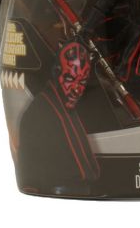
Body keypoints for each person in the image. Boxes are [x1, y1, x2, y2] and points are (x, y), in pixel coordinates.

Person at [16, 41, 99, 195]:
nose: (76, 89)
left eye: (82, 81)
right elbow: (29, 166)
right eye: (70, 79)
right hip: (58, 193)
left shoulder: (65, 106)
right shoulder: (39, 110)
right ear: (56, 73)